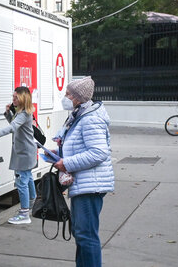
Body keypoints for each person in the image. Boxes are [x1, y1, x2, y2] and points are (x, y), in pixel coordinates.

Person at [53, 77, 113, 267]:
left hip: (90, 186)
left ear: (78, 98)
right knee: (82, 234)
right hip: (85, 184)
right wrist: (59, 153)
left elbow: (98, 152)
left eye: (69, 94)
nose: (65, 96)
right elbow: (82, 146)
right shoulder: (79, 115)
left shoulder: (90, 118)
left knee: (86, 236)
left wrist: (67, 163)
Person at [0, 86, 37, 224]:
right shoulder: (24, 112)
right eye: (13, 97)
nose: (13, 99)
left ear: (22, 98)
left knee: (21, 181)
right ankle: (32, 202)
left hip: (24, 154)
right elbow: (14, 125)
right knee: (28, 177)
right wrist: (8, 113)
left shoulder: (24, 113)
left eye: (16, 97)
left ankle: (24, 214)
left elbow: (13, 127)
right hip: (27, 152)